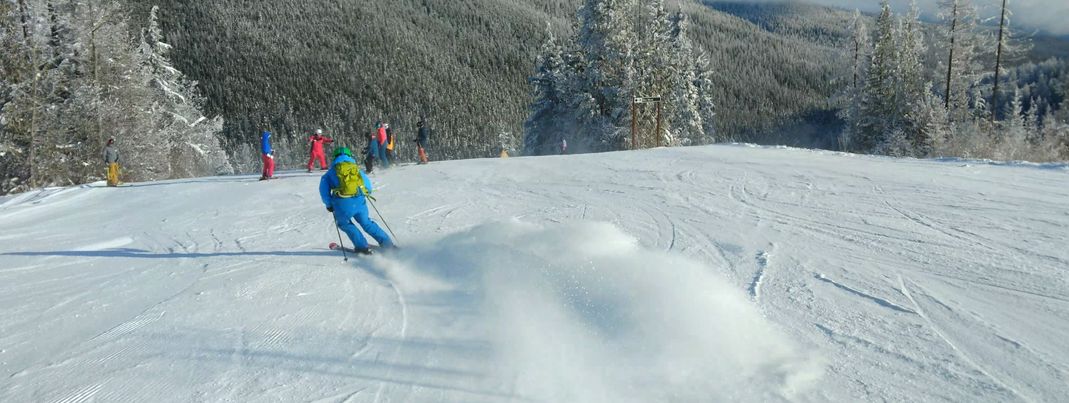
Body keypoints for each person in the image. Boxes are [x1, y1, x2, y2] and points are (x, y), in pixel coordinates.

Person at [320, 146, 394, 254]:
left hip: (342, 203)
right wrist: (366, 194)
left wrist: (329, 204)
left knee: (344, 223)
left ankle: (361, 246)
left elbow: (324, 191)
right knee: (367, 223)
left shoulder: (330, 173)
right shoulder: (356, 169)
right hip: (359, 200)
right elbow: (367, 186)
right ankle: (387, 243)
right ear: (349, 156)